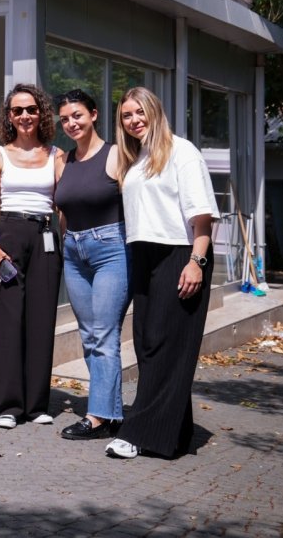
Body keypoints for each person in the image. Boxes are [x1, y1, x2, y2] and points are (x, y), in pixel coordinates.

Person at [106, 87, 218, 460]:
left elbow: (203, 217)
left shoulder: (182, 152)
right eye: (126, 115)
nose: (134, 120)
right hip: (144, 255)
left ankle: (138, 433)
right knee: (147, 342)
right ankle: (174, 434)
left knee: (165, 344)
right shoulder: (134, 158)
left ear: (155, 111)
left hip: (181, 253)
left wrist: (196, 262)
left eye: (140, 112)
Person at [0, 83, 61, 429]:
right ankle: (7, 406)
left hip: (45, 236)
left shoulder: (56, 154)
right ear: (9, 116)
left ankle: (36, 404)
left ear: (41, 113)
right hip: (8, 236)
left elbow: (62, 205)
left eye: (31, 109)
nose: (25, 116)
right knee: (6, 320)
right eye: (18, 110)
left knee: (41, 320)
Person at [54, 89, 129, 440]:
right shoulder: (63, 160)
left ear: (94, 114)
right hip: (74, 251)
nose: (71, 123)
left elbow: (138, 203)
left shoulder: (116, 154)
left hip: (112, 249)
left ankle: (98, 415)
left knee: (104, 334)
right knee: (88, 335)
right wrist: (67, 244)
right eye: (65, 119)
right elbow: (63, 211)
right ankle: (110, 412)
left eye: (77, 116)